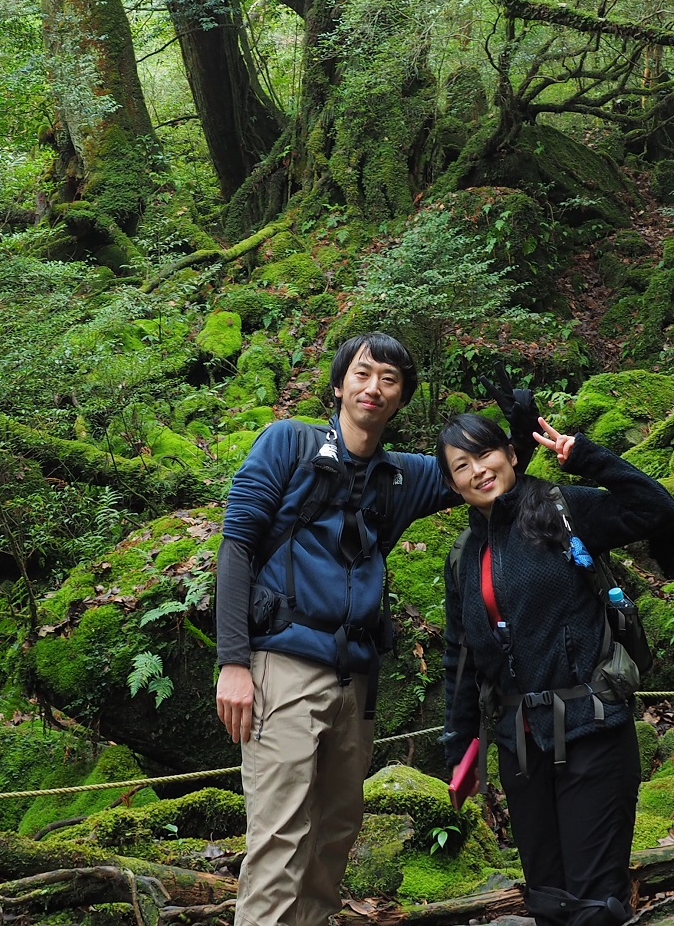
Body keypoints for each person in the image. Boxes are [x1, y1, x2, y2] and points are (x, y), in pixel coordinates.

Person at [214, 332, 461, 926]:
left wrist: (525, 433)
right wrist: (234, 662)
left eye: (389, 379)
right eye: (362, 373)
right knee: (279, 839)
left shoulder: (401, 477)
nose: (373, 387)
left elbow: (481, 472)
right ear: (339, 385)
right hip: (283, 666)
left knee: (334, 838)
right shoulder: (288, 442)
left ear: (401, 398)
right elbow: (237, 545)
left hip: (356, 679)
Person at [438, 411, 674, 926]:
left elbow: (657, 508)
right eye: (462, 466)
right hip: (521, 749)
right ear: (453, 486)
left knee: (595, 906)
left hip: (592, 730)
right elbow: (461, 656)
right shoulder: (464, 555)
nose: (479, 470)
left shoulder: (562, 510)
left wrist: (586, 457)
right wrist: (460, 749)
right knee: (548, 902)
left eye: (485, 453)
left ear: (511, 454)